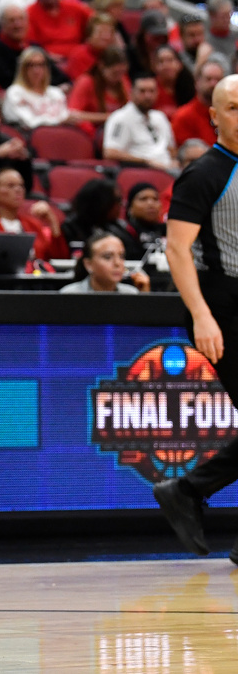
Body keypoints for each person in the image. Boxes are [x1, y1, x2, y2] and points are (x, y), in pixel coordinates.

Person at [157, 74, 238, 567]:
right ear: (214, 115)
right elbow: (176, 248)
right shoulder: (204, 172)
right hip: (223, 310)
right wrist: (203, 316)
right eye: (232, 107)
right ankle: (186, 489)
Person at [0, 167, 67, 261]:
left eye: (21, 185)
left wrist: (53, 223)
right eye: (10, 185)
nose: (18, 189)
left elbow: (58, 259)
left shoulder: (34, 225)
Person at [102, 72, 176, 172]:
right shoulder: (120, 118)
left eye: (152, 91)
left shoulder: (160, 117)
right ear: (131, 92)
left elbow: (171, 149)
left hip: (169, 168)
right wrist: (146, 162)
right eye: (142, 91)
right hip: (143, 171)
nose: (148, 96)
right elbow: (110, 153)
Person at [1, 47, 71, 130]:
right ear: (22, 69)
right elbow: (28, 122)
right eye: (31, 65)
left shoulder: (56, 93)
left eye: (40, 65)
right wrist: (59, 121)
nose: (36, 70)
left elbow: (66, 118)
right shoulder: (15, 92)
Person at [59, 229, 149, 293]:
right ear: (88, 264)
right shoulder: (69, 295)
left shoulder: (131, 294)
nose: (117, 263)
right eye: (107, 257)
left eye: (121, 256)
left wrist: (144, 298)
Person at [172, 56, 227, 149]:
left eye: (218, 79)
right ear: (197, 82)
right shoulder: (183, 116)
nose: (213, 84)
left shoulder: (229, 115)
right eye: (208, 79)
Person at [118, 181, 163, 261]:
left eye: (155, 199)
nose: (151, 203)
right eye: (143, 199)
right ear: (130, 207)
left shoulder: (168, 230)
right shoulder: (123, 233)